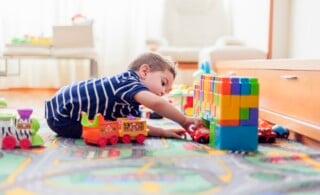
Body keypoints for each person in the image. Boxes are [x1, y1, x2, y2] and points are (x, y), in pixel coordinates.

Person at [45, 52, 202, 139]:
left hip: (64, 111)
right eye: (163, 83)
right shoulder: (127, 80)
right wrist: (184, 120)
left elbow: (133, 127)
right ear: (144, 71)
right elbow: (156, 103)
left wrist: (162, 132)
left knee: (122, 128)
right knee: (108, 132)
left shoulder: (130, 100)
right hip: (63, 116)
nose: (162, 92)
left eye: (166, 90)